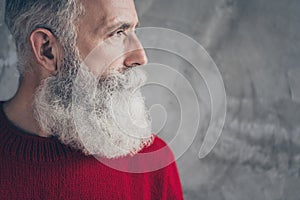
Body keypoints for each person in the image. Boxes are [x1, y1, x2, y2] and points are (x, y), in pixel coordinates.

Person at [0, 0, 183, 199]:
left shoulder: (152, 162)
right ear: (48, 50)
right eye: (117, 33)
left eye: (133, 31)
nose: (140, 57)